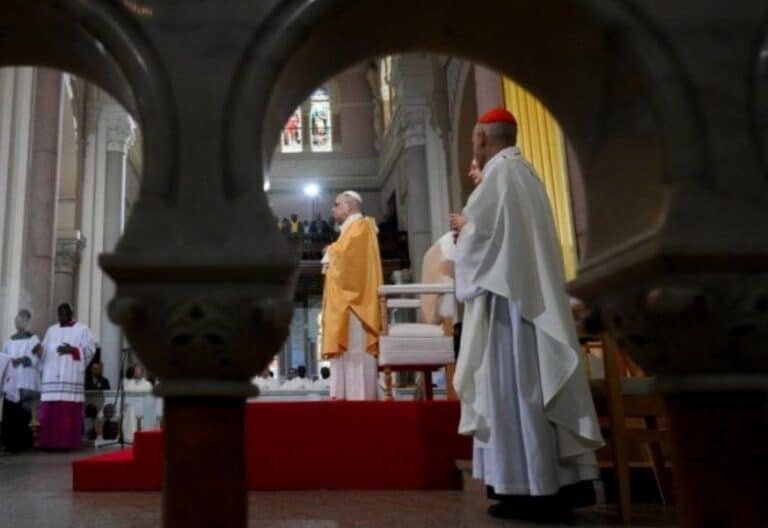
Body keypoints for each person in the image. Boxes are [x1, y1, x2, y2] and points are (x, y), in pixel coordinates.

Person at [453, 108, 603, 522]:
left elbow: (478, 242)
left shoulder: (499, 177)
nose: (474, 147)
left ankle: (533, 491)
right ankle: (545, 486)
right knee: (532, 395)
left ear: (483, 139)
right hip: (531, 302)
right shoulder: (527, 174)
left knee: (516, 394)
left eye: (473, 140)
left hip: (510, 310)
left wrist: (463, 227)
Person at [321, 190, 383, 400]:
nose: (333, 209)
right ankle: (345, 396)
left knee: (356, 349)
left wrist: (330, 251)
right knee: (346, 349)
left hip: (356, 304)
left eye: (337, 204)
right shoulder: (351, 228)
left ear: (348, 207)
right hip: (346, 303)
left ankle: (359, 399)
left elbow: (351, 261)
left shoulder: (361, 226)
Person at [37, 303, 96, 450]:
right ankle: (47, 442)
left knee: (67, 413)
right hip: (52, 376)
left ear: (71, 313)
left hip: (71, 375)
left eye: (65, 313)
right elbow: (43, 351)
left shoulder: (82, 329)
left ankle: (67, 443)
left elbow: (90, 349)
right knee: (49, 410)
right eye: (60, 314)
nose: (62, 317)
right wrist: (38, 351)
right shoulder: (51, 330)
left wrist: (73, 350)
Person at [1, 309, 41, 451]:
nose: (17, 323)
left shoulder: (33, 339)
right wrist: (9, 361)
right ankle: (9, 442)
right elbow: (4, 358)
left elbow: (39, 355)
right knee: (10, 410)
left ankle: (24, 443)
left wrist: (25, 359)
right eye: (15, 321)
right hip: (11, 380)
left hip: (25, 378)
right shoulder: (9, 340)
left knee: (23, 412)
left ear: (26, 322)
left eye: (20, 320)